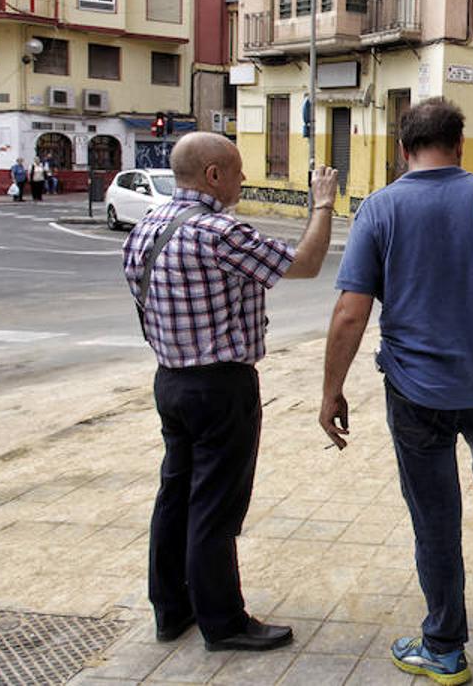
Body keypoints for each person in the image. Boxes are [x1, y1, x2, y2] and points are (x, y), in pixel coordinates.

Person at [320, 98, 473, 685]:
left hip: (415, 394)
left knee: (435, 515)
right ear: (459, 145)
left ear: (404, 151)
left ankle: (445, 647)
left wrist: (331, 391)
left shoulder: (379, 211)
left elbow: (350, 314)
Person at [122, 132, 339, 652]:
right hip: (220, 386)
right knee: (216, 506)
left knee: (175, 496)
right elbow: (305, 263)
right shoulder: (219, 232)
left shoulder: (144, 229)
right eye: (238, 171)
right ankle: (224, 622)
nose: (243, 180)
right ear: (214, 175)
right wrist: (324, 205)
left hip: (171, 380)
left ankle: (172, 611)